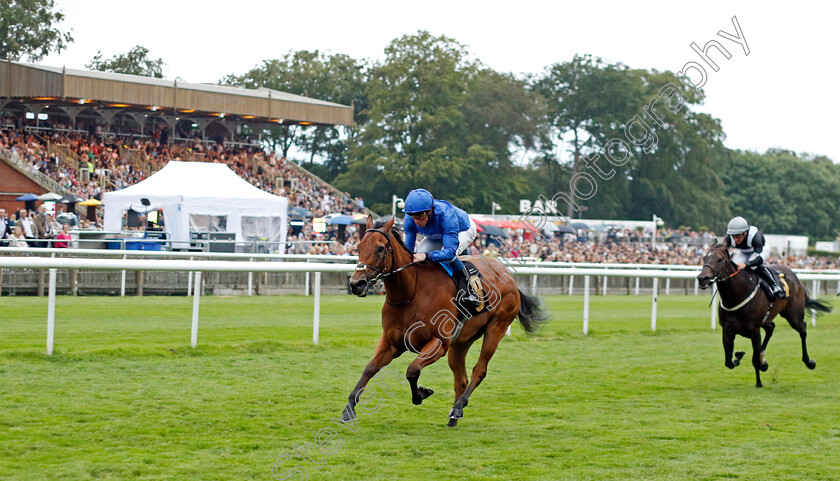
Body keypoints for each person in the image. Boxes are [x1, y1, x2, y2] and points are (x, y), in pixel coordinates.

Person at [402, 188, 480, 307]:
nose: (416, 221)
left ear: (430, 211)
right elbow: (408, 252)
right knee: (417, 253)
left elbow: (449, 252)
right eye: (413, 216)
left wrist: (427, 256)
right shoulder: (409, 220)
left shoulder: (446, 215)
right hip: (438, 233)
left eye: (420, 215)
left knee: (447, 257)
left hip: (462, 229)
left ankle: (470, 291)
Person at [722, 216, 785, 299]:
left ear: (745, 233)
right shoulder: (729, 238)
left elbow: (757, 260)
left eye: (737, 236)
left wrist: (746, 264)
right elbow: (722, 249)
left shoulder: (755, 236)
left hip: (760, 250)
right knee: (734, 267)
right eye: (733, 236)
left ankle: (774, 284)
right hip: (743, 252)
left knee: (753, 267)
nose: (735, 239)